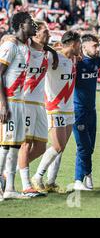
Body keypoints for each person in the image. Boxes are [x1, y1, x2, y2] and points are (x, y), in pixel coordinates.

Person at [31, 30, 80, 193]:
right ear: (73, 43)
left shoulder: (73, 58)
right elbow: (41, 52)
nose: (80, 47)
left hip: (68, 108)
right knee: (57, 146)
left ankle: (51, 182)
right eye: (79, 43)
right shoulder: (55, 57)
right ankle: (37, 176)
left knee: (62, 147)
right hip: (55, 107)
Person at [18, 20, 58, 197]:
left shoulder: (47, 54)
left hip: (40, 105)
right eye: (45, 32)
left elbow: (52, 51)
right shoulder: (24, 49)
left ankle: (12, 167)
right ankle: (26, 185)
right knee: (25, 145)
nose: (48, 35)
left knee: (41, 147)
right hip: (25, 102)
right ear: (35, 34)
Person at [0, 12, 36, 199]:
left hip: (20, 101)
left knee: (14, 145)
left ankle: (10, 189)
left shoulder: (25, 45)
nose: (34, 26)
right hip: (10, 102)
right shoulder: (10, 45)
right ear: (22, 25)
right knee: (5, 145)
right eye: (31, 23)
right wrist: (3, 104)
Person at [72, 34, 100, 191]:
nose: (97, 49)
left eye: (98, 45)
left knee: (89, 147)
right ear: (83, 47)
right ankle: (82, 178)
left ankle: (84, 177)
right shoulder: (76, 63)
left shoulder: (97, 61)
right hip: (78, 111)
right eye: (94, 46)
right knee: (83, 146)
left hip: (92, 110)